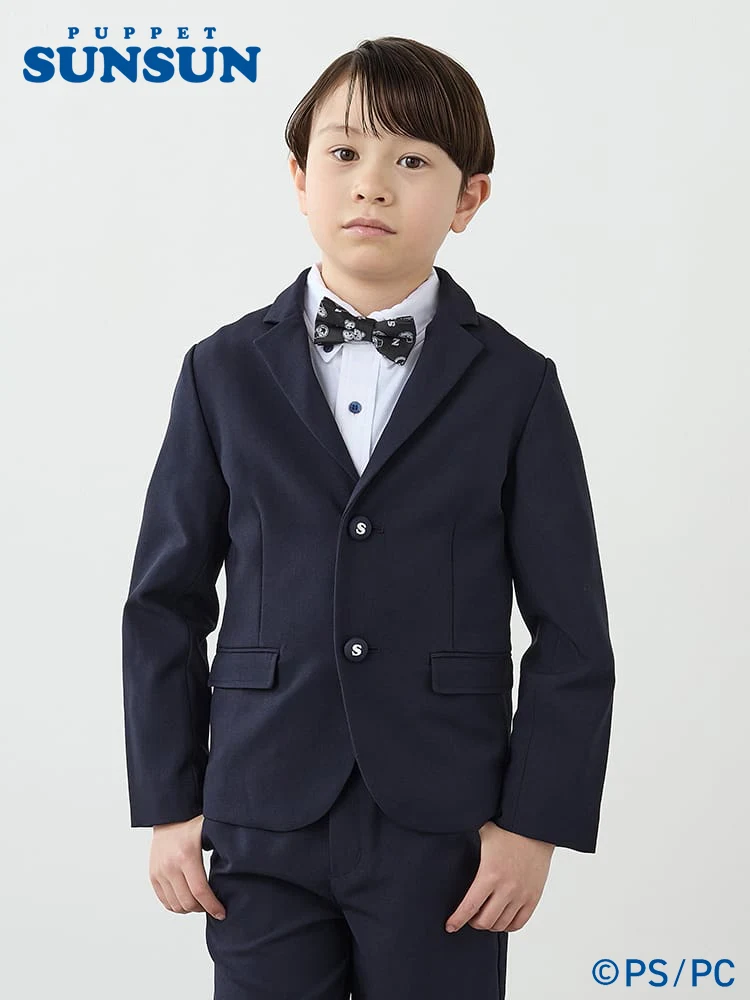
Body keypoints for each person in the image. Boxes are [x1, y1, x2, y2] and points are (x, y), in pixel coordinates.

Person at [122, 35, 616, 999]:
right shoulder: (220, 372)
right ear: (299, 178)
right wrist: (169, 802)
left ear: (469, 198)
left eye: (413, 160)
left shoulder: (517, 386)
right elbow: (164, 601)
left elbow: (571, 630)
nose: (373, 185)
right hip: (260, 805)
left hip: (449, 823)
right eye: (345, 153)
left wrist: (535, 823)